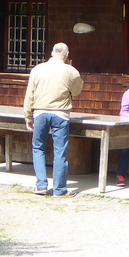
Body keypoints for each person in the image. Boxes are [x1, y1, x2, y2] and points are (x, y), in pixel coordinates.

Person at [23, 42, 84, 197]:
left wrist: (28, 117)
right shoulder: (71, 70)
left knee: (38, 148)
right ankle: (59, 189)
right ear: (66, 54)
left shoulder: (37, 69)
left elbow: (29, 95)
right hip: (61, 114)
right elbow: (77, 92)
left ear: (52, 52)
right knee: (60, 152)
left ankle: (41, 185)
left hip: (40, 113)